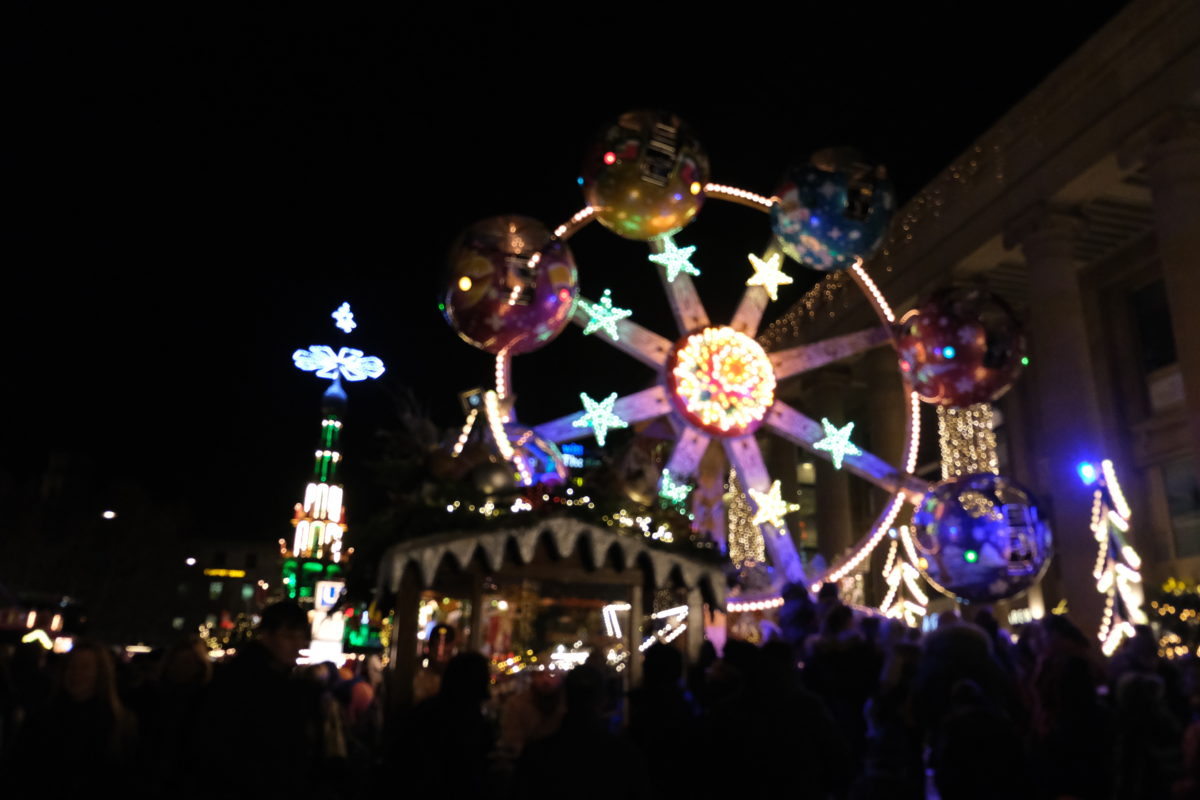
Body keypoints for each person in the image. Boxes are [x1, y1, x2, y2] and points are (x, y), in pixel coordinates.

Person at [193, 601, 335, 795]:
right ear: (266, 635)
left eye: (302, 637)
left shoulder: (283, 680)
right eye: (289, 636)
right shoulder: (242, 682)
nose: (298, 644)